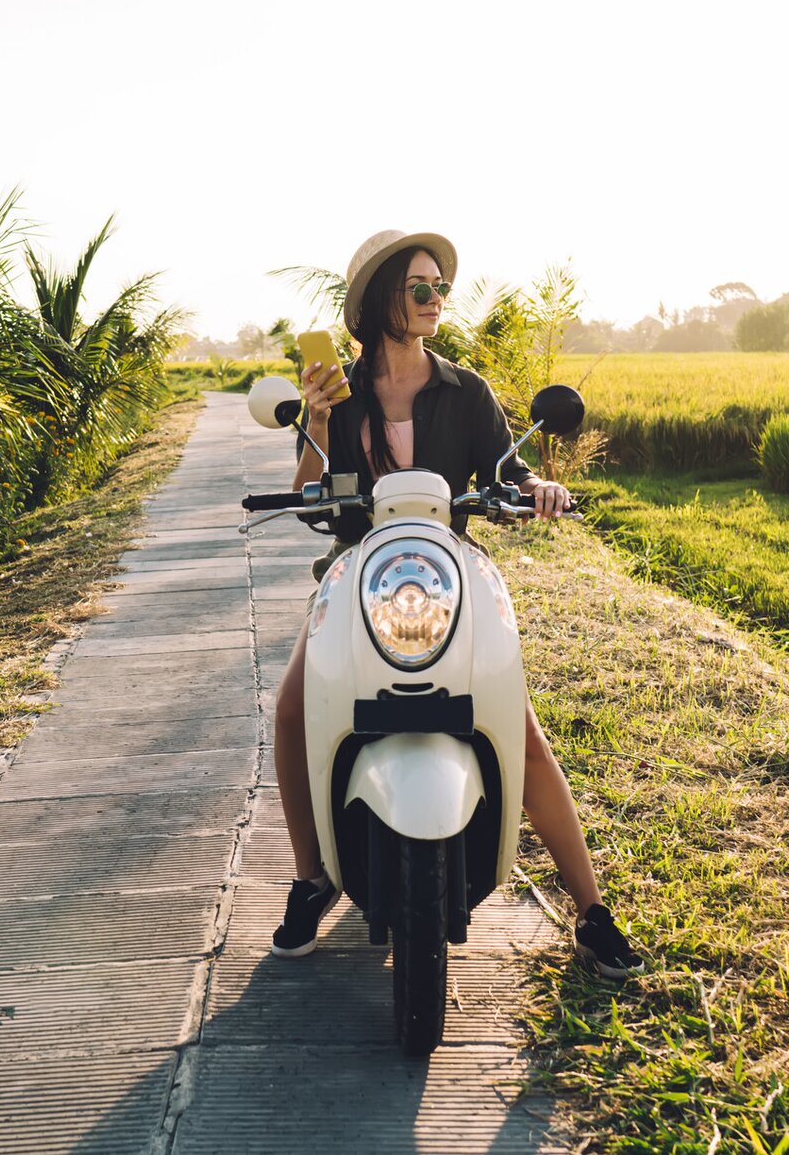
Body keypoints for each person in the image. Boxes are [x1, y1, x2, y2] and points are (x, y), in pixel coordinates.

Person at [268, 228, 641, 979]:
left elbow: (510, 470)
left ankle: (592, 912)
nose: (437, 299)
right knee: (292, 712)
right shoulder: (338, 391)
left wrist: (540, 489)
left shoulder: (464, 390)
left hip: (451, 572)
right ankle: (312, 880)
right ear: (381, 300)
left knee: (522, 733)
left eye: (440, 286)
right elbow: (310, 494)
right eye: (420, 287)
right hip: (356, 568)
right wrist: (312, 420)